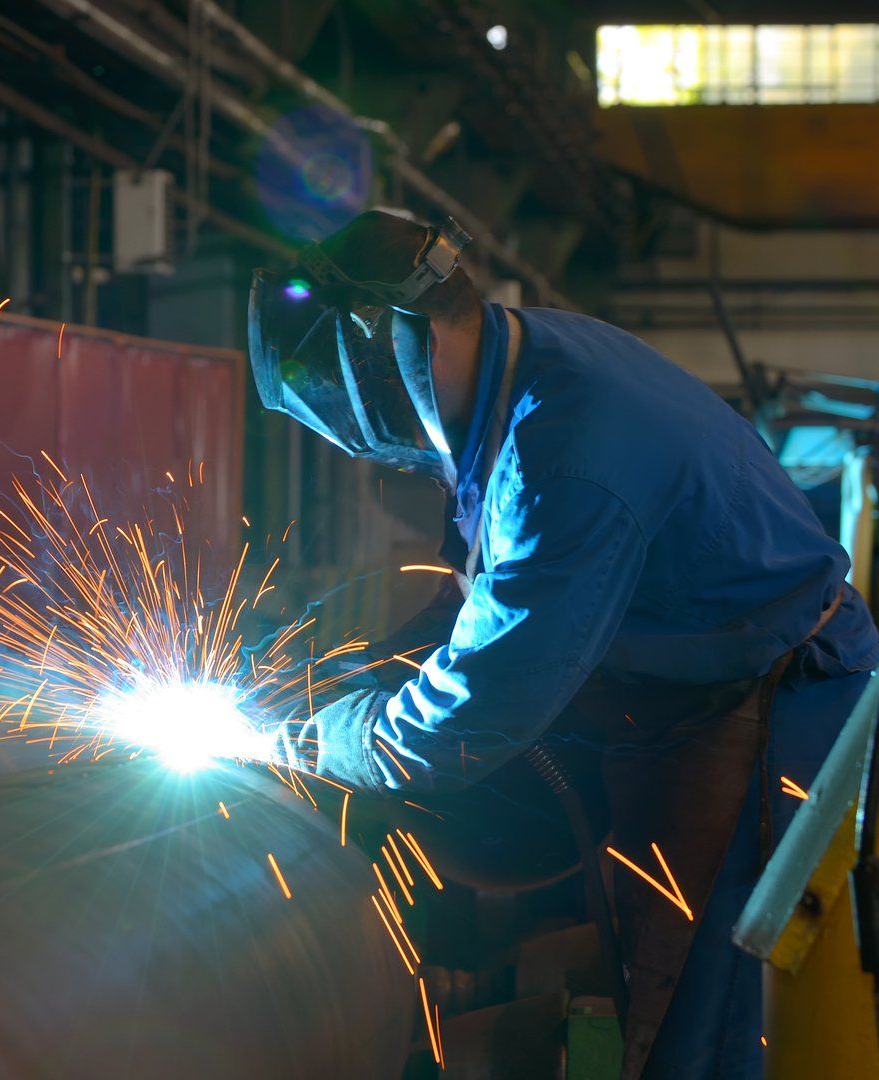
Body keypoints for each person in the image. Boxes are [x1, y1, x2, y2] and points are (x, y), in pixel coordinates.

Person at [249, 210, 878, 1079]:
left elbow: (464, 722)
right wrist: (348, 675)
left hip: (768, 711)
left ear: (400, 350)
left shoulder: (564, 460)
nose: (355, 441)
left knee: (702, 1015)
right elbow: (478, 599)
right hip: (691, 679)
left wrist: (310, 737)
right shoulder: (519, 365)